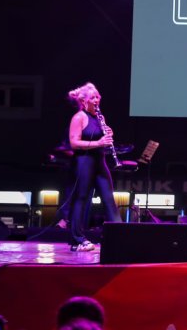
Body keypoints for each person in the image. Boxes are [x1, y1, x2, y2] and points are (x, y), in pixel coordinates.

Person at [67, 82, 123, 252]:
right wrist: (98, 142)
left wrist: (108, 135)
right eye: (93, 97)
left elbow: (101, 140)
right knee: (82, 198)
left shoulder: (100, 117)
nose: (97, 100)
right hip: (84, 162)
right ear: (84, 101)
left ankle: (121, 236)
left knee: (109, 198)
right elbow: (74, 143)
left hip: (100, 161)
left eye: (98, 96)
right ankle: (77, 240)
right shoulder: (79, 117)